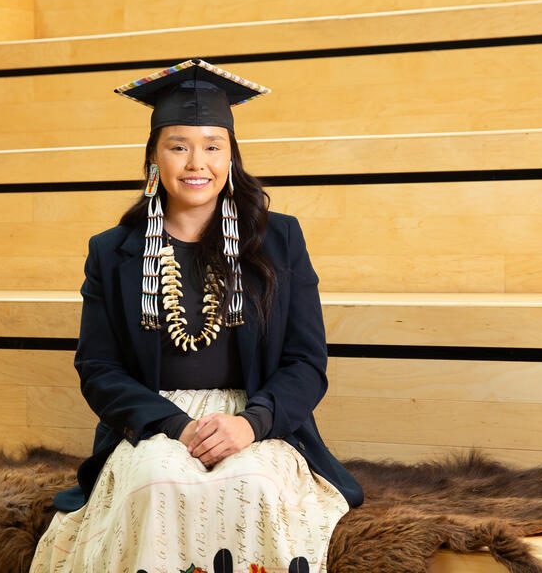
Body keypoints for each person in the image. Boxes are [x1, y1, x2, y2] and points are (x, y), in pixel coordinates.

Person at [29, 59, 364, 573]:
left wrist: (253, 424)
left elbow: (306, 361)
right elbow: (98, 369)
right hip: (154, 422)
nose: (196, 163)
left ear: (231, 157)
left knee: (251, 486)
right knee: (156, 484)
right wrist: (174, 426)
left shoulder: (281, 240)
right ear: (154, 158)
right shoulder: (112, 251)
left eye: (213, 146)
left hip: (257, 418)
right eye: (178, 146)